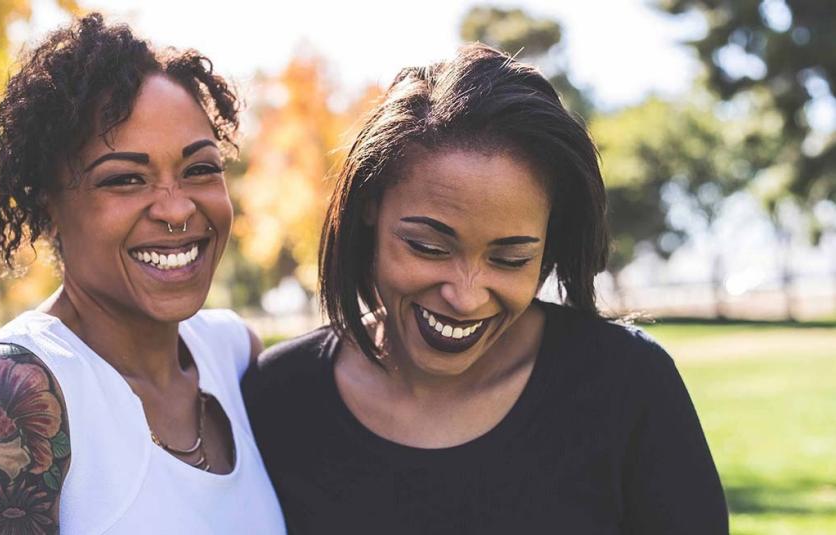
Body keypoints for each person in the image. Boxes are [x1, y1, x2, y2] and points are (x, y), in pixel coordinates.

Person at [242, 43, 728, 534]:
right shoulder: (279, 397)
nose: (466, 295)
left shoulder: (627, 385)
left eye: (510, 259)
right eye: (428, 247)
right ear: (369, 206)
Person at [0, 14, 285, 534]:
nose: (177, 209)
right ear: (46, 206)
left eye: (200, 169)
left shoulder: (232, 354)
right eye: (125, 179)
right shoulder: (14, 388)